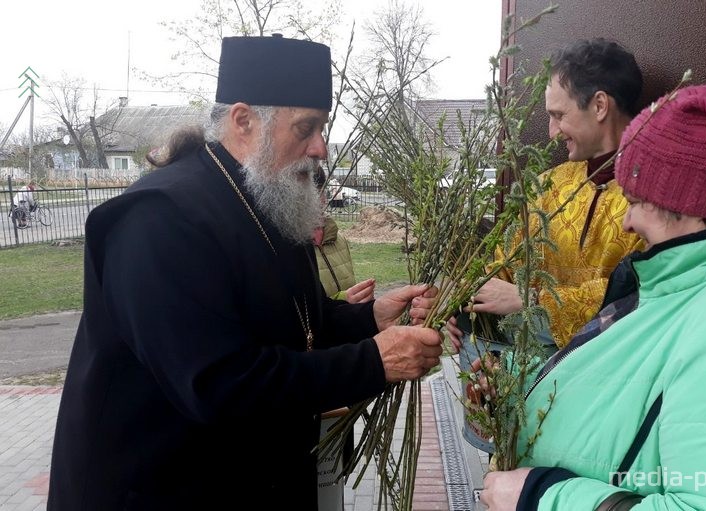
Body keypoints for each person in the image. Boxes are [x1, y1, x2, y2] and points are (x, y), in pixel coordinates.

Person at [47, 35, 443, 510]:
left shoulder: (267, 200)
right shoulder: (160, 219)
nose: (320, 147)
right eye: (306, 127)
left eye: (324, 128)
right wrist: (373, 362)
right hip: (157, 489)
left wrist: (371, 319)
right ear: (243, 120)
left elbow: (298, 323)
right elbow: (219, 383)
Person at [480, 83, 706, 510]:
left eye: (636, 201)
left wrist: (544, 498)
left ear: (693, 204)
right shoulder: (690, 285)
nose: (627, 222)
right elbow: (633, 378)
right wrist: (517, 381)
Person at [447, 38, 645, 353]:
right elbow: (506, 267)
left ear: (599, 106)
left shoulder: (655, 199)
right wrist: (465, 305)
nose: (552, 132)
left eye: (558, 115)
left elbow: (644, 295)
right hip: (519, 371)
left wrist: (535, 301)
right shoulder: (547, 185)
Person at [313, 166, 375, 304]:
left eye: (322, 192)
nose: (322, 201)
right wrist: (342, 300)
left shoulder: (338, 238)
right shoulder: (285, 247)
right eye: (312, 194)